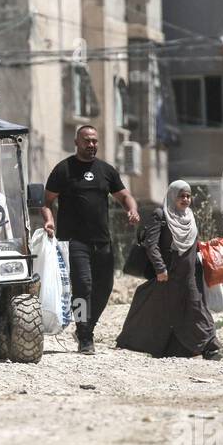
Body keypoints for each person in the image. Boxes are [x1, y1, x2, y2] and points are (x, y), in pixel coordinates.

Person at [42, 125, 140, 355]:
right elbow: (46, 201)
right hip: (74, 241)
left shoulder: (106, 170)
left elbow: (124, 196)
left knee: (104, 288)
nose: (91, 145)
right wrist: (49, 221)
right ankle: (85, 334)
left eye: (95, 141)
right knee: (83, 286)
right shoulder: (64, 169)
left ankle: (88, 326)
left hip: (102, 241)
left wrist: (132, 210)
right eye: (87, 141)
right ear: (77, 142)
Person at [116, 180, 221, 359]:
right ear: (173, 196)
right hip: (168, 275)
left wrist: (204, 245)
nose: (186, 199)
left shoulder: (189, 216)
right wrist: (160, 268)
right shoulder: (161, 215)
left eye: (188, 196)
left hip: (188, 275)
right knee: (155, 307)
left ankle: (200, 347)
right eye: (182, 196)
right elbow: (151, 244)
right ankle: (210, 346)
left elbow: (190, 244)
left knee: (191, 307)